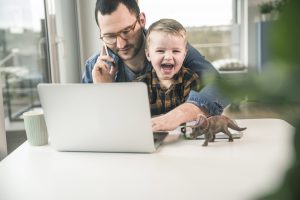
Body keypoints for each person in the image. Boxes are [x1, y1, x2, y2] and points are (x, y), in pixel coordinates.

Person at [82, 0, 227, 131]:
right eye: (110, 36)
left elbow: (220, 86)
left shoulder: (171, 48)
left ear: (142, 20)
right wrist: (105, 92)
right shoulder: (95, 68)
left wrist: (176, 116)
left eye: (126, 31)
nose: (121, 44)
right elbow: (90, 125)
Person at [135, 18, 202, 117]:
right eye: (160, 51)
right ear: (148, 55)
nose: (168, 57)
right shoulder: (140, 85)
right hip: (150, 131)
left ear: (184, 54)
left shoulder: (190, 80)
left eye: (176, 51)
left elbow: (193, 115)